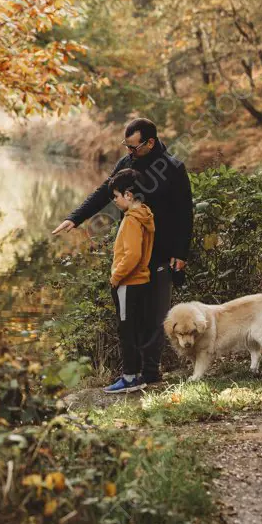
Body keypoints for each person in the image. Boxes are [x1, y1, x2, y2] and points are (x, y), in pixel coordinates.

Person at [52, 117, 193, 385]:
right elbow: (104, 192)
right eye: (126, 146)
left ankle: (150, 374)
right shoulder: (126, 164)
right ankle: (133, 373)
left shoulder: (173, 168)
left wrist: (181, 254)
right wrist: (75, 218)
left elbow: (184, 214)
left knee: (156, 316)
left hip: (162, 253)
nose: (128, 152)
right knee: (131, 318)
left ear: (150, 142)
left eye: (133, 147)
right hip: (133, 254)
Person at [102, 168, 155, 392]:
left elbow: (132, 255)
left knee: (127, 330)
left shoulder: (132, 220)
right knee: (136, 328)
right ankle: (137, 374)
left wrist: (116, 277)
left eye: (116, 196)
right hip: (140, 282)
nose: (114, 200)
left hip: (128, 283)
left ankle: (130, 377)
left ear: (129, 195)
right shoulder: (144, 214)